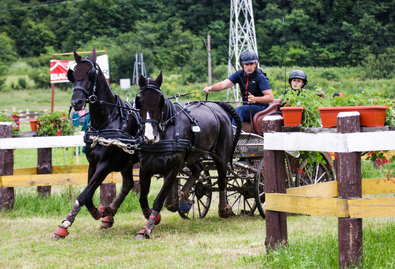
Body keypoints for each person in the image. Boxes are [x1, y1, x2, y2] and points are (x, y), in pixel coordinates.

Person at [203, 49, 274, 125]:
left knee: (239, 110)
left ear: (255, 64)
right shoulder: (239, 74)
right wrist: (211, 88)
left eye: (251, 64)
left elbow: (270, 98)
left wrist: (255, 99)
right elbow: (223, 84)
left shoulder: (260, 76)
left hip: (261, 108)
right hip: (247, 108)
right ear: (242, 64)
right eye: (246, 64)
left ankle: (234, 135)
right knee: (226, 113)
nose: (249, 67)